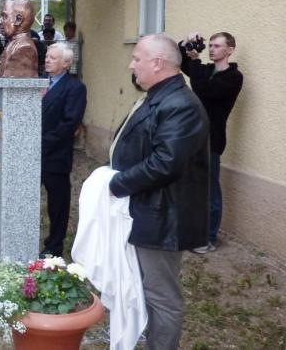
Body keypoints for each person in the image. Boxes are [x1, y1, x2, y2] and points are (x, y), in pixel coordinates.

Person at [108, 34, 209, 349]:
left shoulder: (181, 105)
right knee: (144, 287)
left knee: (161, 295)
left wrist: (116, 184)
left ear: (157, 63)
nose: (131, 65)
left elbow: (166, 163)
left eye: (136, 59)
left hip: (164, 216)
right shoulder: (159, 96)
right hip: (147, 209)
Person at [179, 32, 243, 254]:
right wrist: (186, 43)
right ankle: (193, 232)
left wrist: (195, 60)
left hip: (212, 139)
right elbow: (181, 60)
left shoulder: (233, 77)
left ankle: (209, 238)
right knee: (192, 186)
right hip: (192, 135)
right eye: (211, 45)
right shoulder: (205, 70)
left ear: (230, 50)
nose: (212, 49)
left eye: (217, 46)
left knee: (210, 190)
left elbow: (203, 89)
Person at [39, 43, 87, 257]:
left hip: (55, 154)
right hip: (32, 153)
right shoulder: (40, 81)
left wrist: (42, 142)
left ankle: (54, 245)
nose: (47, 60)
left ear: (66, 63)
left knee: (57, 204)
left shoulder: (75, 88)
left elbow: (69, 123)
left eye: (53, 58)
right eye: (47, 56)